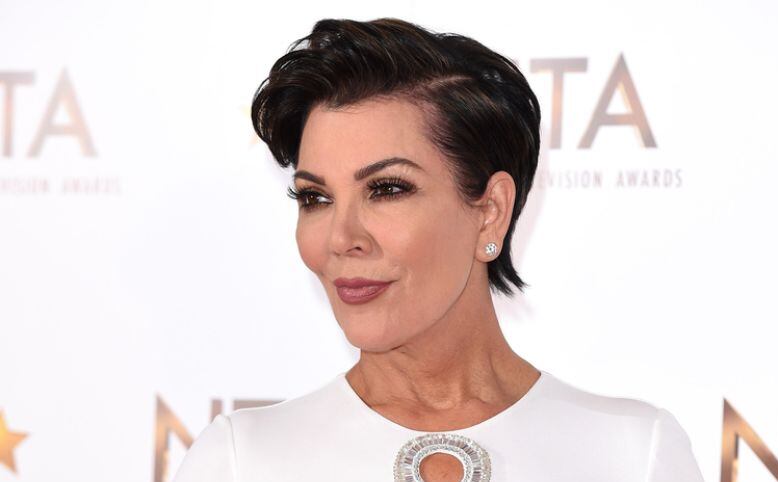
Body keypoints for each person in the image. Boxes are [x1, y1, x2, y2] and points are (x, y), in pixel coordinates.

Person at [172, 17, 705, 482]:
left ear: (490, 210)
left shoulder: (632, 453)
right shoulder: (241, 461)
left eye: (386, 189)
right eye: (315, 198)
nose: (340, 237)